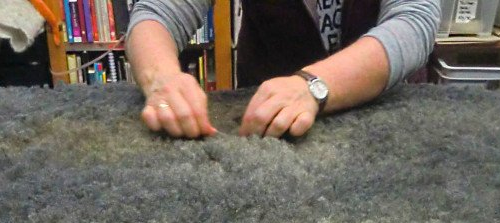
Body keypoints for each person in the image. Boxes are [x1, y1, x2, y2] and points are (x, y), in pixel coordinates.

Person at [126, 0, 442, 139]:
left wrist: (313, 85)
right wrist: (162, 78)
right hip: (268, 127)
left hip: (382, 117)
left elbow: (414, 21)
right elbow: (157, 13)